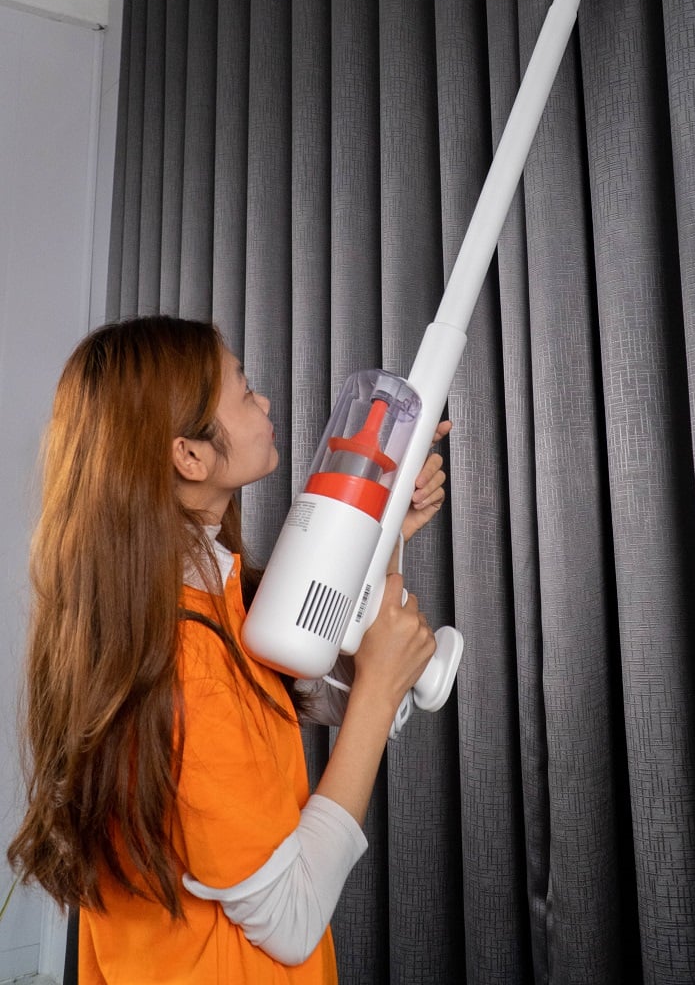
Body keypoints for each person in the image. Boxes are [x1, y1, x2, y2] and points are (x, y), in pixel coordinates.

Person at [7, 315, 451, 983]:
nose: (263, 401)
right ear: (189, 456)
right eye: (243, 391)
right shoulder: (186, 663)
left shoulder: (198, 600)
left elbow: (313, 685)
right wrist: (379, 690)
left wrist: (382, 526)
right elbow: (292, 919)